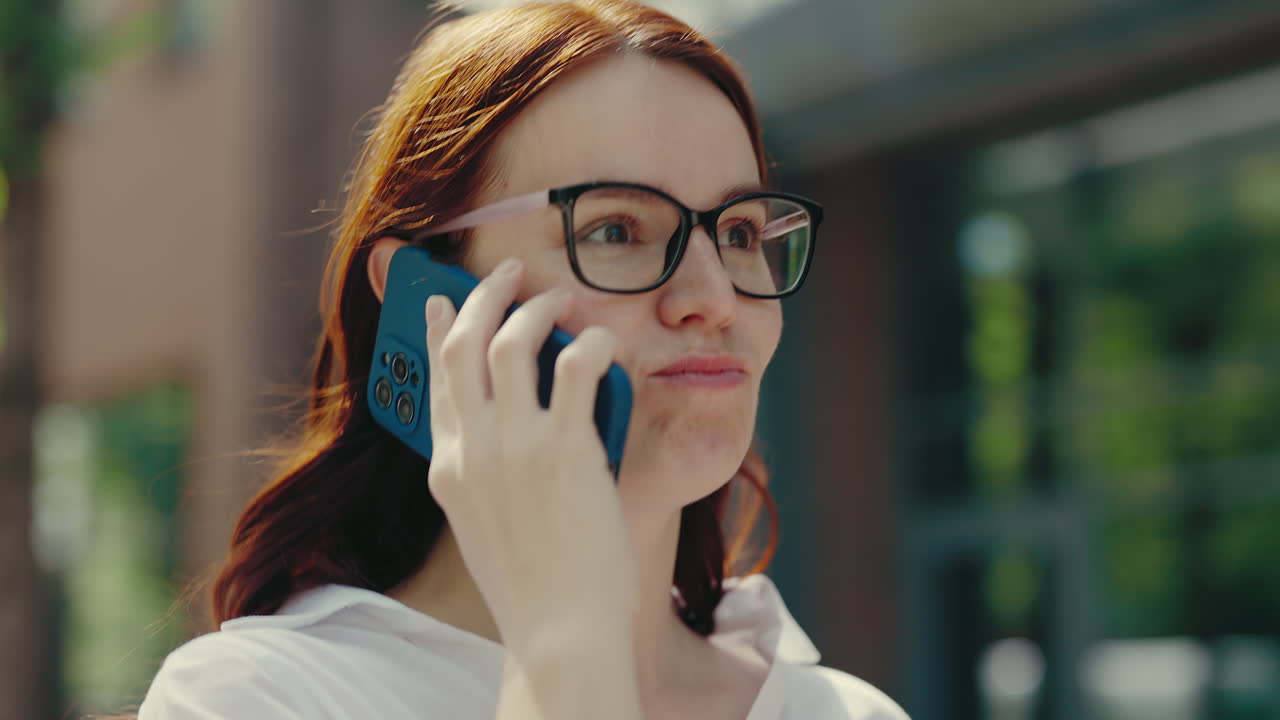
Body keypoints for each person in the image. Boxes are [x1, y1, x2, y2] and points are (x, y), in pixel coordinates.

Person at [137, 1, 910, 718]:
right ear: (424, 296)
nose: (713, 297)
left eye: (740, 234)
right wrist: (564, 652)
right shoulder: (261, 699)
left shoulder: (843, 712)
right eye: (615, 230)